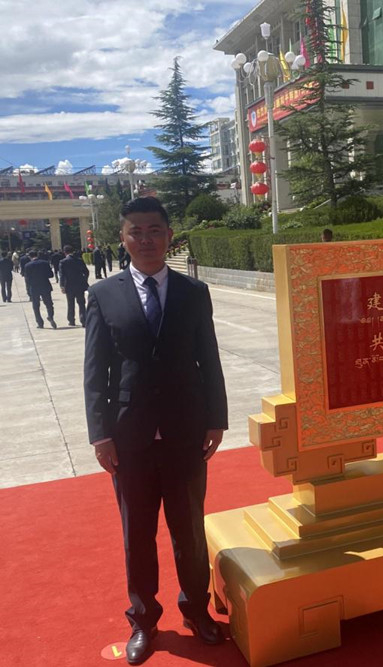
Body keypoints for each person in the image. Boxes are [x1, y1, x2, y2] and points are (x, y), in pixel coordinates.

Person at [84, 196, 228, 665]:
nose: (145, 239)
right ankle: (143, 620)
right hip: (130, 438)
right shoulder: (103, 295)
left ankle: (197, 610)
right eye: (136, 231)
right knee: (138, 535)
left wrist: (216, 418)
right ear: (123, 239)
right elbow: (95, 371)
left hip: (187, 432)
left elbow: (208, 358)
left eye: (154, 230)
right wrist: (100, 434)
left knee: (189, 531)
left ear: (169, 235)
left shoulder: (193, 291)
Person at [24, 250, 57, 328]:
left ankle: (40, 323)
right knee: (49, 304)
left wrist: (28, 289)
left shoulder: (27, 265)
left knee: (36, 306)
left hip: (34, 287)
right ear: (37, 255)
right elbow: (51, 275)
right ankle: (50, 316)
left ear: (30, 256)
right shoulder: (45, 263)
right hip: (45, 285)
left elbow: (27, 279)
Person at [59, 245, 89, 327]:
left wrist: (62, 286)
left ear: (64, 252)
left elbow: (62, 275)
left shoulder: (63, 262)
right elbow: (86, 271)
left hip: (69, 285)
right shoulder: (79, 260)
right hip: (80, 285)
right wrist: (84, 280)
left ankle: (71, 320)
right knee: (81, 303)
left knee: (70, 303)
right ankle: (83, 320)